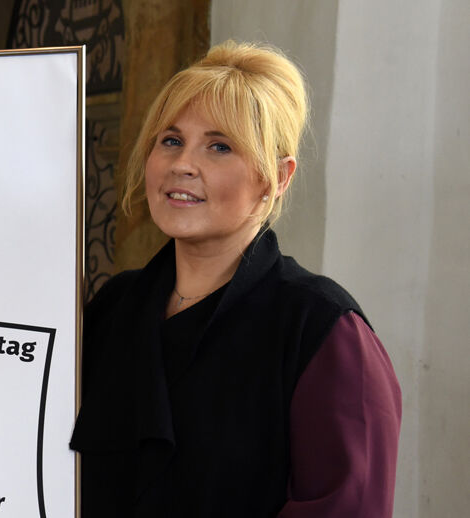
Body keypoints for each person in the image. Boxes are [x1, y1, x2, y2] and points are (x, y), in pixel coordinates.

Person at [69, 41, 401, 517]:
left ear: (276, 178)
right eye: (171, 140)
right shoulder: (113, 308)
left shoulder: (323, 329)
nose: (183, 163)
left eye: (219, 146)